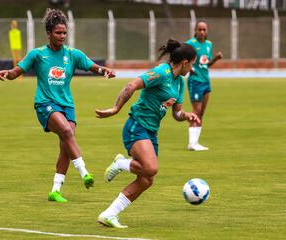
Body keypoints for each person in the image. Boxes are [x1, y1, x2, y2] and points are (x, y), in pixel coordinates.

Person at [0, 8, 115, 203]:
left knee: (66, 145)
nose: (62, 36)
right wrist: (7, 74)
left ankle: (55, 190)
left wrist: (104, 71)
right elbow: (17, 71)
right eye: (58, 33)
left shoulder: (72, 54)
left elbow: (93, 66)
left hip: (67, 105)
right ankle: (84, 172)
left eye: (64, 33)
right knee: (68, 133)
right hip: (45, 104)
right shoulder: (37, 54)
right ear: (49, 33)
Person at [95, 39, 199, 228]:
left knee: (147, 179)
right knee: (151, 168)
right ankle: (121, 163)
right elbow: (131, 85)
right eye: (192, 64)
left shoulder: (179, 84)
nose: (192, 68)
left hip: (151, 132)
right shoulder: (161, 72)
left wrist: (187, 116)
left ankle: (109, 214)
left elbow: (176, 113)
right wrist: (116, 108)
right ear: (185, 62)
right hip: (137, 125)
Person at [186, 20, 222, 151]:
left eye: (204, 30)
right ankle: (191, 143)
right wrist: (189, 69)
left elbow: (206, 64)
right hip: (195, 81)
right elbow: (180, 57)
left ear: (207, 31)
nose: (202, 32)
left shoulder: (208, 45)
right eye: (199, 29)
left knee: (202, 112)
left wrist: (216, 59)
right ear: (195, 30)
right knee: (196, 111)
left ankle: (195, 142)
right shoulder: (190, 44)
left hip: (206, 81)